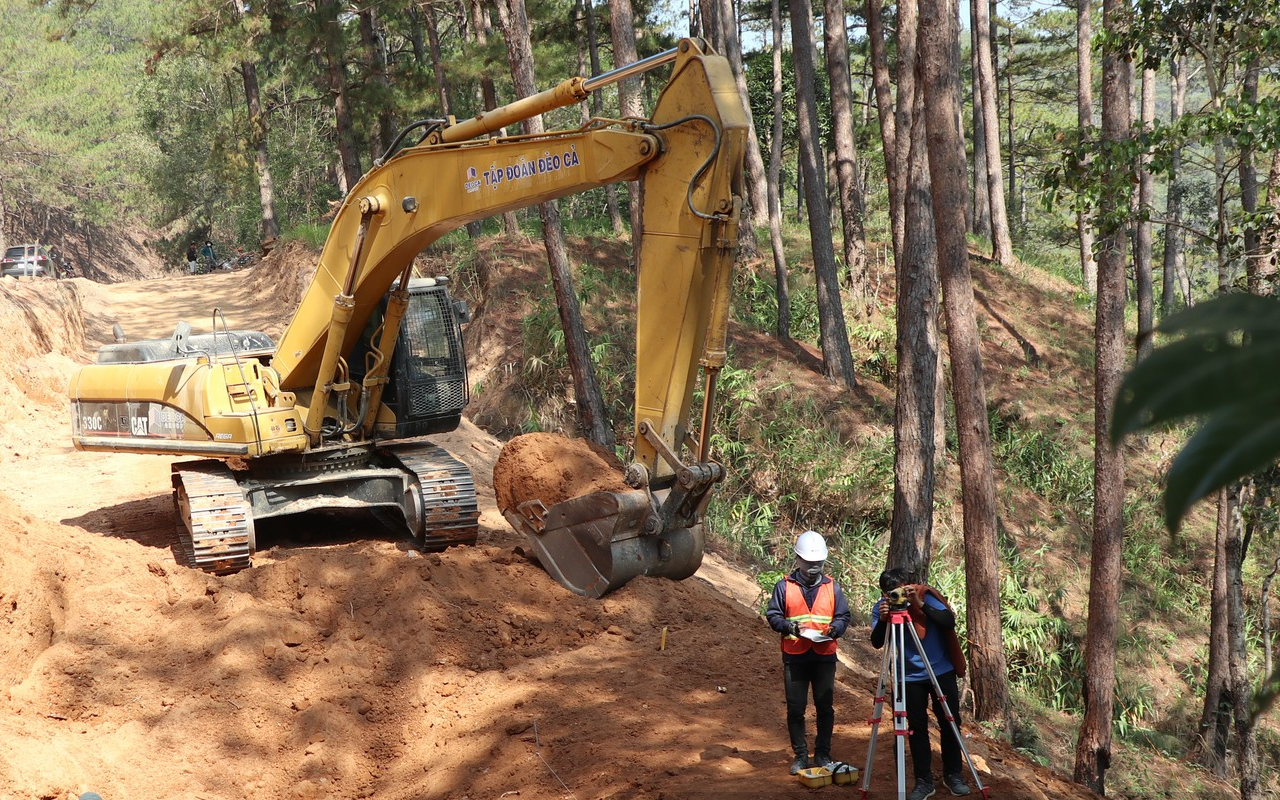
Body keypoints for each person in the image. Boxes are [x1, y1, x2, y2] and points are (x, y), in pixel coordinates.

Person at [871, 567, 970, 799]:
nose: (896, 597)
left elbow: (948, 622)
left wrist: (920, 604)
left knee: (950, 722)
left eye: (900, 591)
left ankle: (953, 775)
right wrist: (885, 619)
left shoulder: (925, 596)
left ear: (909, 586)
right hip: (909, 676)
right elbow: (877, 642)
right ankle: (923, 781)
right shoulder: (882, 608)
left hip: (940, 671)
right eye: (889, 593)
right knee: (916, 729)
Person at [765, 530, 851, 775]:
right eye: (808, 563)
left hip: (824, 656)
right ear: (798, 560)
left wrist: (835, 629)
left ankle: (823, 753)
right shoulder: (784, 587)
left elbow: (843, 616)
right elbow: (773, 615)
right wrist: (790, 627)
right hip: (796, 656)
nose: (813, 567)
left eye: (818, 563)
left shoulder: (833, 588)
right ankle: (801, 755)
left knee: (825, 707)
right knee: (796, 708)